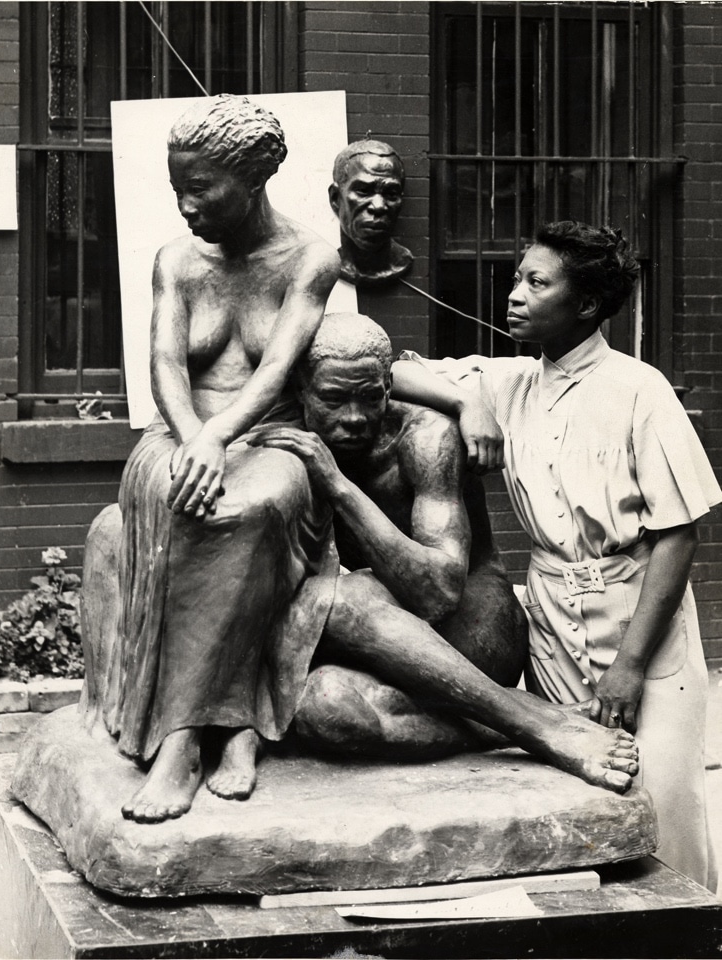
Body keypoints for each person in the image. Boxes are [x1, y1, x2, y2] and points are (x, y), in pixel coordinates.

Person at [391, 221, 722, 890]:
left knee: (663, 809)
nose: (514, 294)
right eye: (518, 277)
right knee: (577, 807)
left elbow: (679, 535)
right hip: (551, 624)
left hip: (641, 624)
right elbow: (383, 370)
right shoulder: (508, 382)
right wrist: (462, 400)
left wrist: (629, 669)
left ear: (589, 306)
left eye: (537, 283)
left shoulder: (640, 389)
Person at [251, 312, 640, 792]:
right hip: (388, 632)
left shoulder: (425, 439)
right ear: (300, 390)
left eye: (370, 398)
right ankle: (519, 719)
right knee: (322, 707)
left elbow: (438, 591)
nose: (354, 418)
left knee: (335, 599)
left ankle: (538, 728)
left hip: (475, 627)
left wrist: (339, 487)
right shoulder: (284, 430)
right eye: (333, 400)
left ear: (388, 388)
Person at [103, 94, 341, 824]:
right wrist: (194, 437)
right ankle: (204, 735)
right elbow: (166, 364)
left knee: (255, 504)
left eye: (201, 187)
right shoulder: (177, 261)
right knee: (187, 496)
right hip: (175, 435)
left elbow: (279, 370)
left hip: (268, 438)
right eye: (178, 186)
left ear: (256, 176)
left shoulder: (310, 258)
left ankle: (214, 727)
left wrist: (224, 435)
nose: (185, 204)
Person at [329, 140, 413, 286]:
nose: (378, 206)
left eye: (391, 193)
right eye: (363, 191)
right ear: (336, 198)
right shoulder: (323, 265)